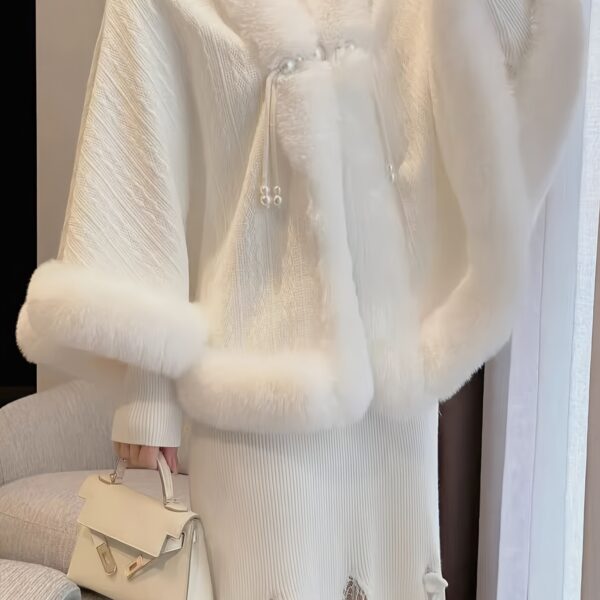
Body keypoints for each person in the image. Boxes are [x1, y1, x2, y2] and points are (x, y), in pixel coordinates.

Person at [17, 0, 584, 598]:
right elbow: (142, 168)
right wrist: (146, 403)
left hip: (392, 400)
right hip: (255, 403)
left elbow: (524, 43)